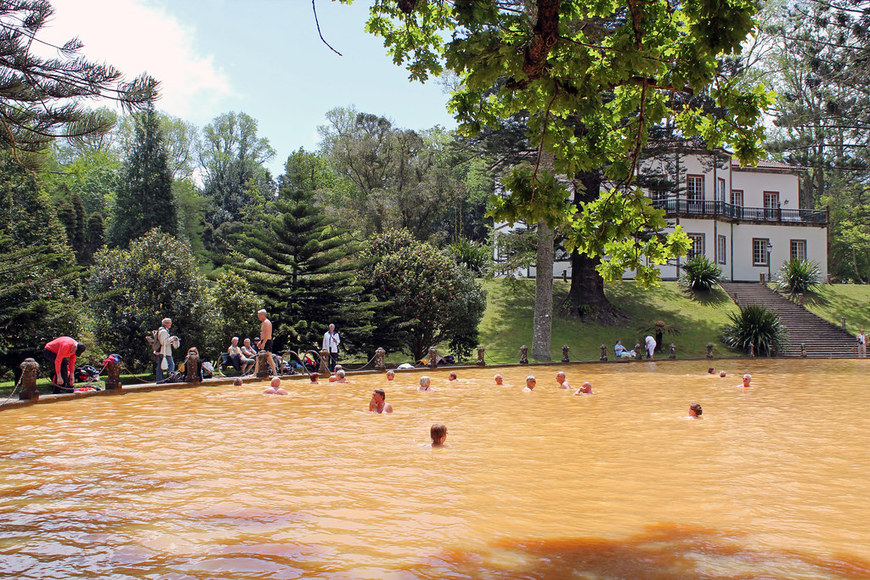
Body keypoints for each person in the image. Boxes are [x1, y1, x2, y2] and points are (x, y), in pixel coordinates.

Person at [252, 309, 278, 377]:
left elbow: (267, 334)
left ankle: (275, 372)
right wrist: (261, 341)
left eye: (259, 315)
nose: (258, 316)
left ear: (263, 315)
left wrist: (264, 342)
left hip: (267, 341)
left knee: (269, 357)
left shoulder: (267, 322)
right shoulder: (263, 323)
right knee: (258, 357)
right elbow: (263, 334)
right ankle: (255, 373)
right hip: (264, 340)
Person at [155, 318, 179, 383]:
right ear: (165, 324)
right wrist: (172, 338)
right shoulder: (163, 331)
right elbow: (163, 342)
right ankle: (169, 379)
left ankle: (160, 380)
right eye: (169, 323)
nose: (170, 324)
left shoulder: (163, 330)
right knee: (171, 365)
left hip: (162, 352)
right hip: (165, 352)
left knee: (160, 367)